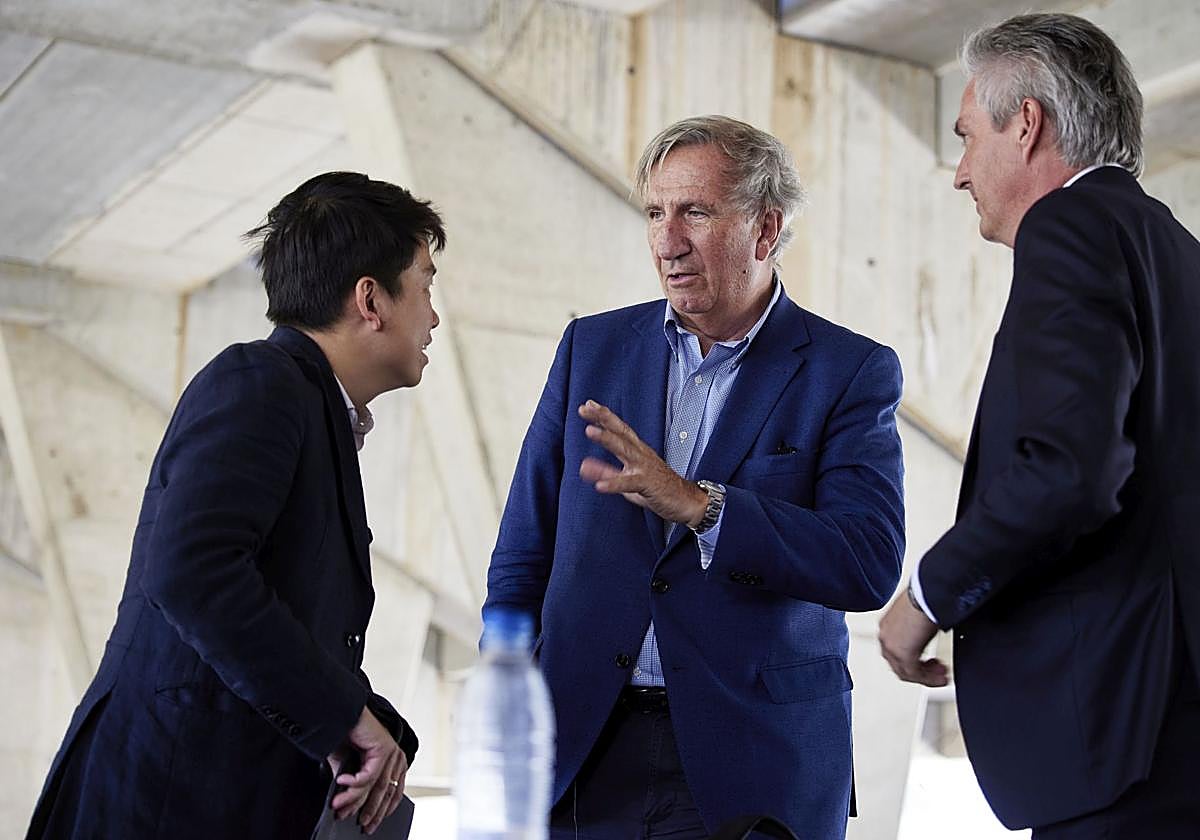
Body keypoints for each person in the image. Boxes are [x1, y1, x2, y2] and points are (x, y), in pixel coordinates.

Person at [485, 115, 905, 839]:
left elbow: (864, 562)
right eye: (655, 212)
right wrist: (501, 696)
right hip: (580, 751)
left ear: (765, 231)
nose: (667, 241)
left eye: (695, 213)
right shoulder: (593, 346)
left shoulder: (849, 372)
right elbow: (526, 547)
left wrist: (702, 506)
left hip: (752, 764)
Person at [25, 171, 444, 839]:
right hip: (161, 807)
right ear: (372, 298)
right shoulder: (261, 383)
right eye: (425, 285)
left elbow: (280, 619)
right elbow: (192, 572)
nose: (433, 316)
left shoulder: (308, 405)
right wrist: (341, 716)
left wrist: (368, 725)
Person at [878, 13, 1200, 838]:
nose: (958, 173)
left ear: (1026, 125)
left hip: (1117, 739)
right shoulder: (1177, 250)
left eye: (965, 136)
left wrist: (928, 593)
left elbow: (1070, 470)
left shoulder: (1071, 227)